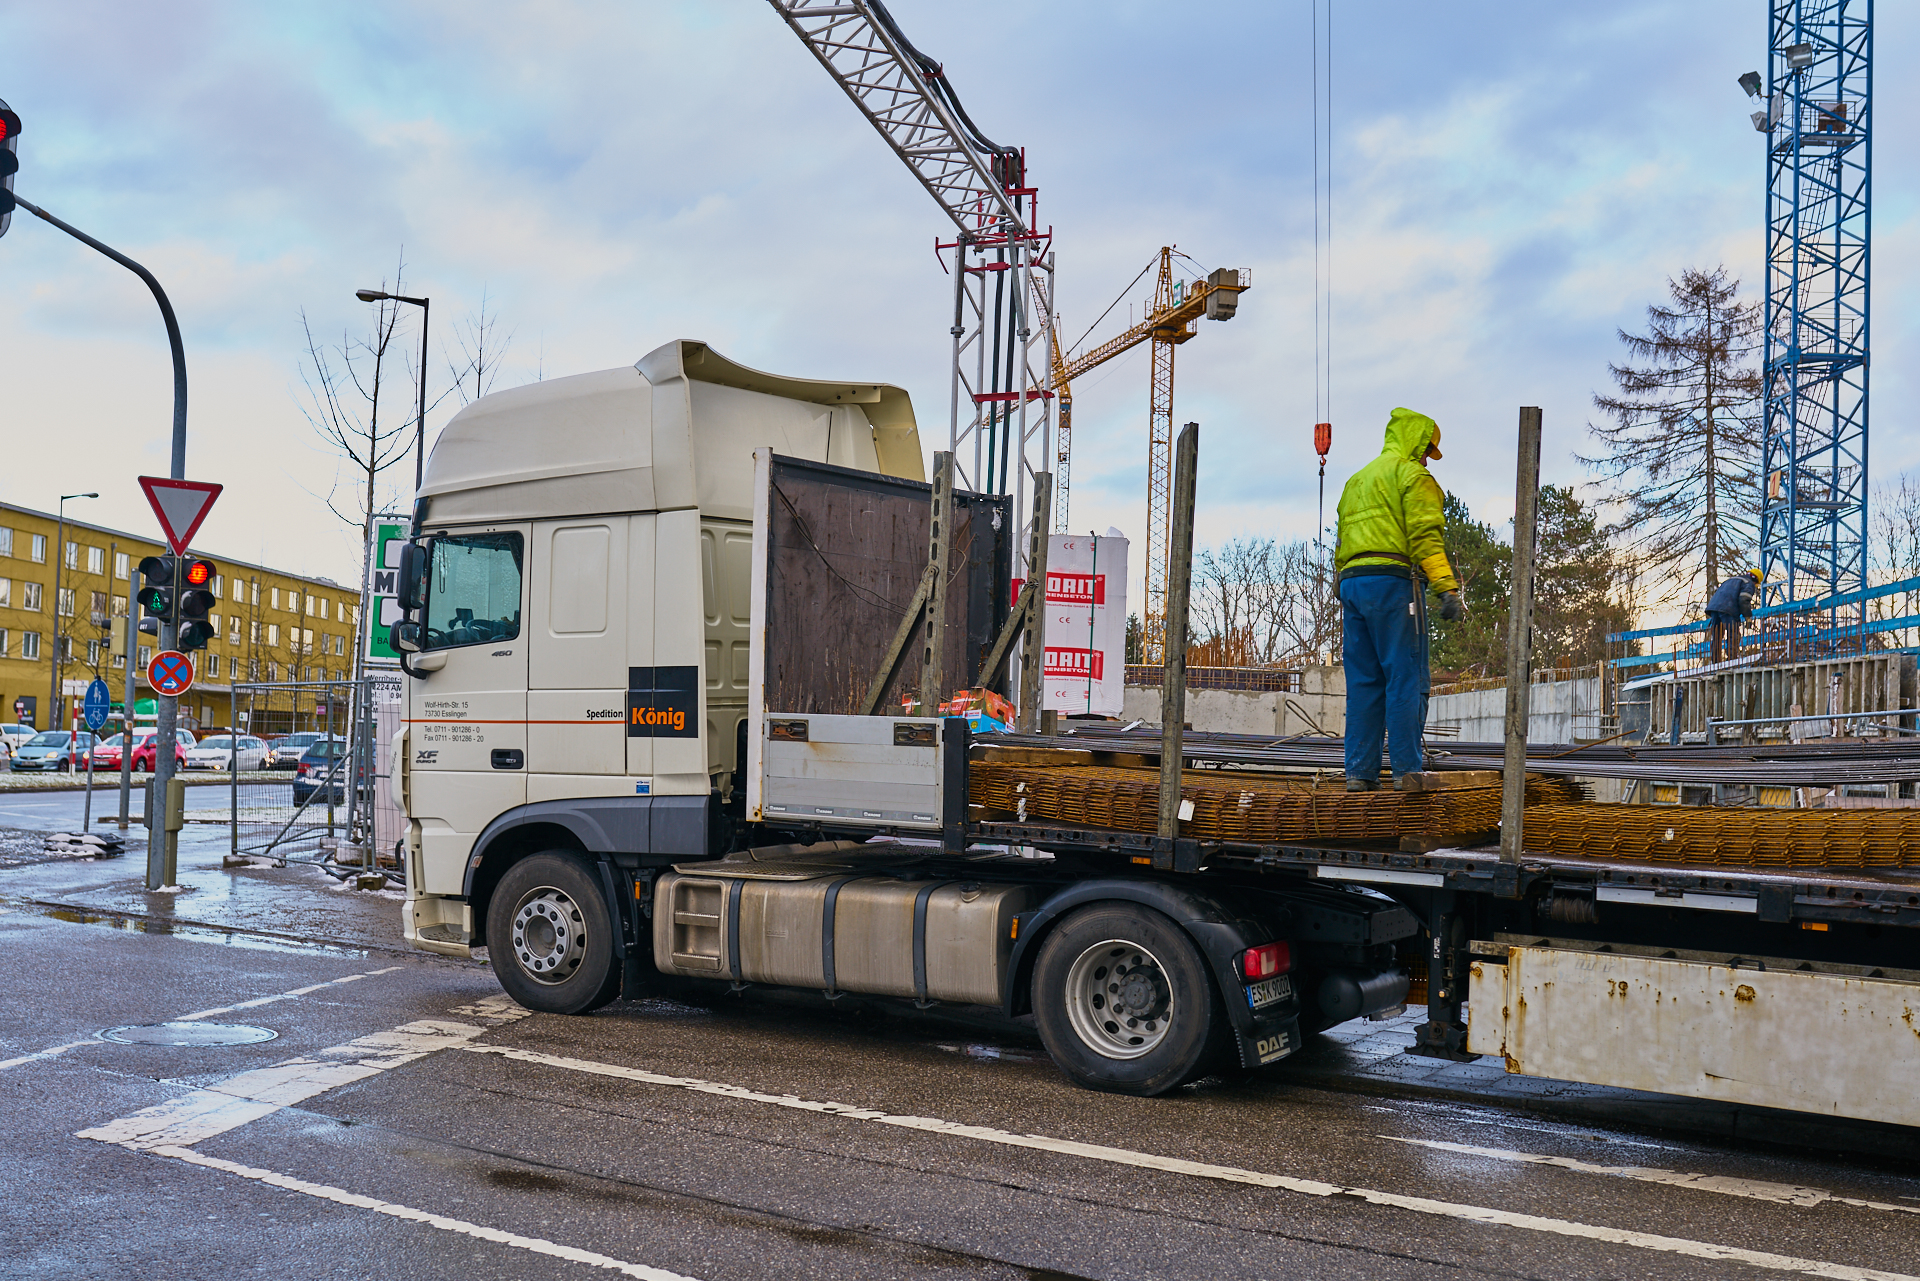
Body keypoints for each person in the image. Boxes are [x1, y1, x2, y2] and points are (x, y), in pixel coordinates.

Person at [1334, 407, 1464, 790]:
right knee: (1405, 679)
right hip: (1394, 585)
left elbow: (1341, 541)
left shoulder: (1357, 480)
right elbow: (1425, 535)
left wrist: (1344, 587)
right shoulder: (1412, 476)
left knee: (1363, 683)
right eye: (1427, 451)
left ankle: (1359, 773)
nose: (1427, 459)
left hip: (1353, 585)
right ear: (1417, 444)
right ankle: (1408, 772)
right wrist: (1445, 587)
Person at [1704, 568, 1763, 663]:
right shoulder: (1748, 583)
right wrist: (1748, 617)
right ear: (1755, 580)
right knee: (1733, 633)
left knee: (1717, 635)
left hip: (1714, 608)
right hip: (1728, 608)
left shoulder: (1731, 580)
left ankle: (1715, 661)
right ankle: (1732, 659)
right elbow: (1744, 600)